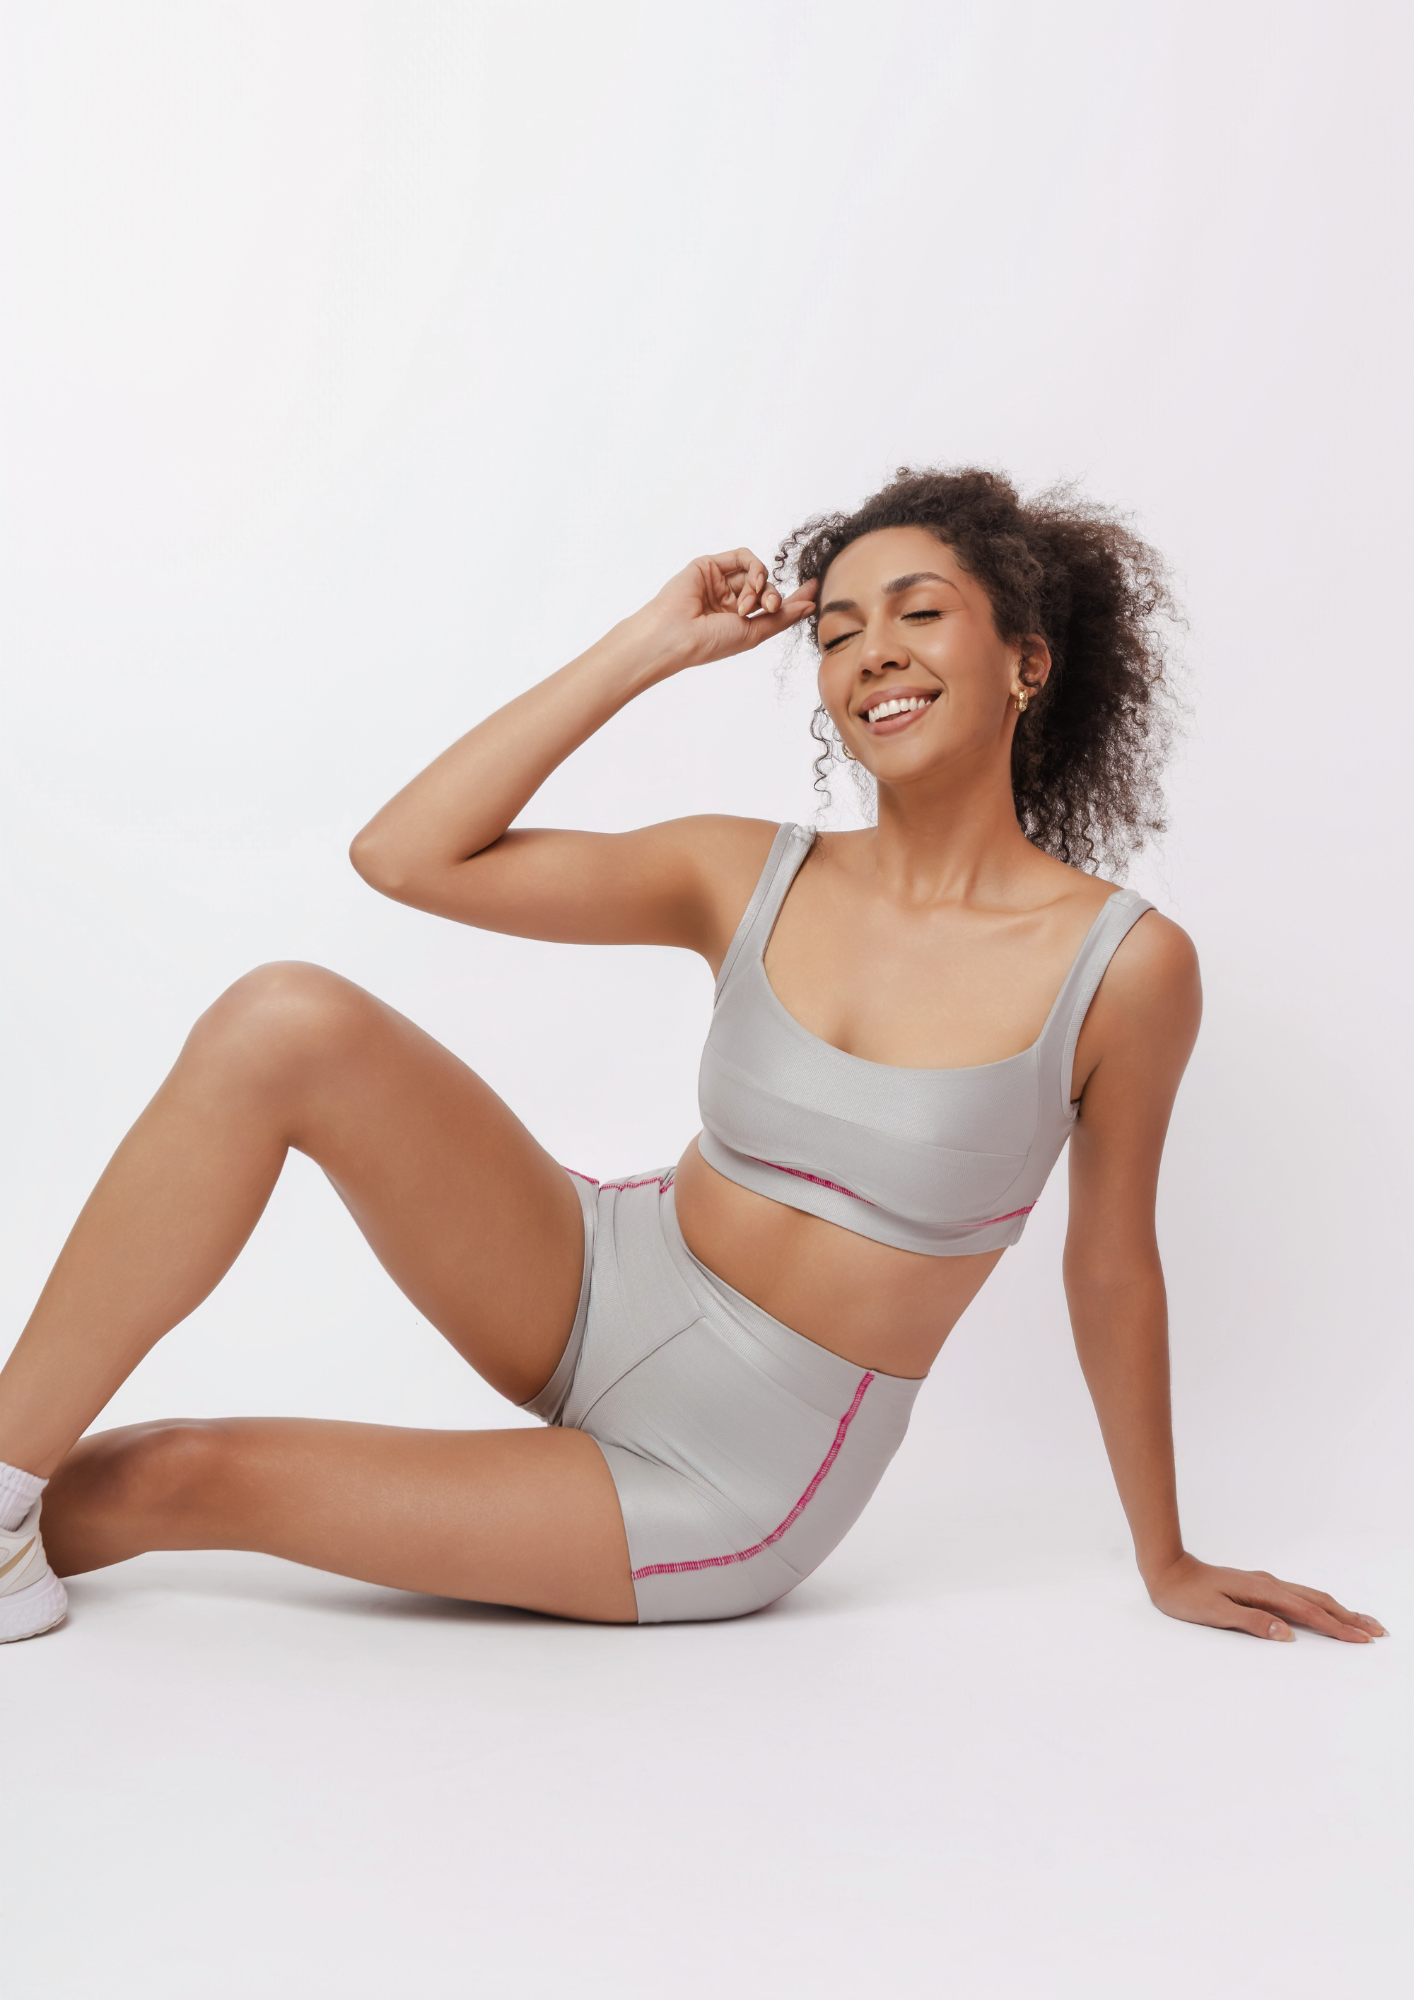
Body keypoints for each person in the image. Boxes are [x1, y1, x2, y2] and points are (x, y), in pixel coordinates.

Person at [0, 468, 1384, 1646]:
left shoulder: (1124, 966)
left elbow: (1112, 1264)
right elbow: (404, 855)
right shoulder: (744, 872)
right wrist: (650, 644)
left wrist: (1164, 1557)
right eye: (837, 631)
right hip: (599, 1277)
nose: (872, 652)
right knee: (284, 1017)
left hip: (727, 1474)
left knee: (165, 1473)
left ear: (1027, 659)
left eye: (918, 614)